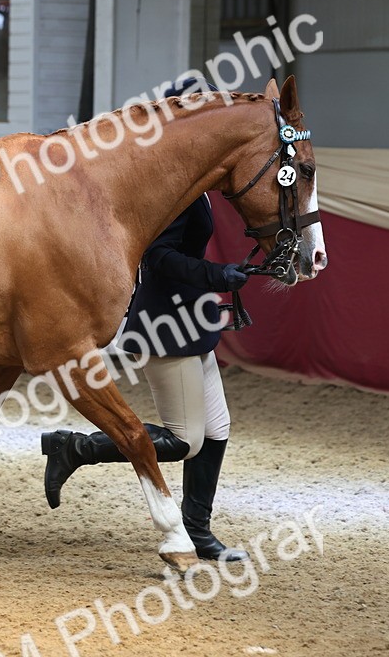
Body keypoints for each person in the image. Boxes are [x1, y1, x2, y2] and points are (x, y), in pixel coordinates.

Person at [40, 81, 251, 562]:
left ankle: (199, 533)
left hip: (194, 319)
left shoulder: (192, 182)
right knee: (184, 439)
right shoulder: (168, 189)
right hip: (165, 322)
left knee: (217, 430)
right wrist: (218, 273)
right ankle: (74, 448)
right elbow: (158, 257)